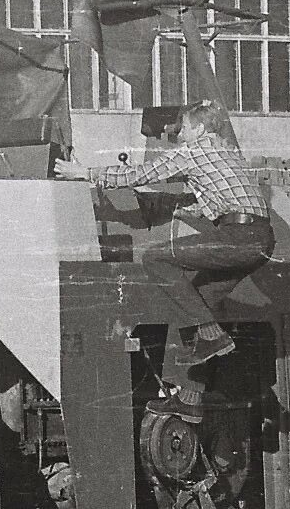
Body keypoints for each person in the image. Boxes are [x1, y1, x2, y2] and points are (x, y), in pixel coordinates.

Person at [54, 101, 273, 421]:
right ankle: (189, 398)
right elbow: (220, 201)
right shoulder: (225, 152)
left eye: (182, 129)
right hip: (257, 239)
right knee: (194, 302)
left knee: (155, 257)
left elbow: (142, 173)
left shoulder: (195, 152)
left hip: (239, 237)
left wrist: (84, 173)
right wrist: (183, 208)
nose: (178, 136)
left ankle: (213, 335)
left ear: (198, 129)